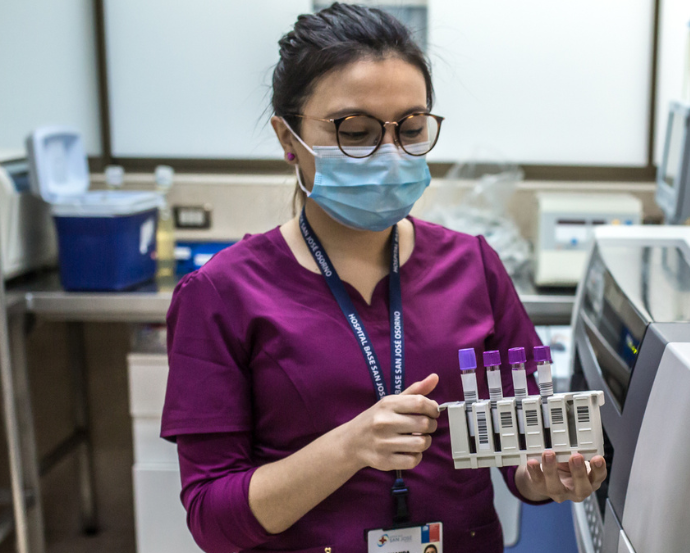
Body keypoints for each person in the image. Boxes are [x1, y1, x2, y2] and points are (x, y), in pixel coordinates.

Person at [161, 3, 606, 552]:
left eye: (411, 128)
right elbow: (212, 518)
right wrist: (350, 446)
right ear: (287, 138)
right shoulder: (222, 295)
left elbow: (524, 449)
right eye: (355, 131)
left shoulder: (473, 267)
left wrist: (544, 478)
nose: (390, 154)